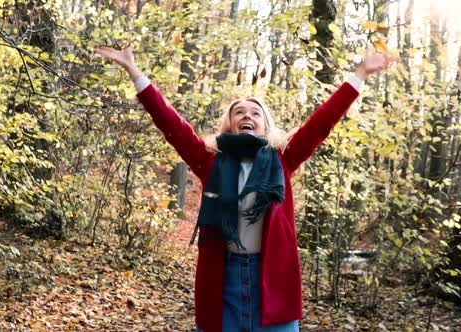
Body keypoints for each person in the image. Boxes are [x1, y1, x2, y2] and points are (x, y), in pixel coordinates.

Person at [95, 45, 393, 332]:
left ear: (265, 125)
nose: (247, 116)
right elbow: (172, 124)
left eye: (255, 113)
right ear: (229, 125)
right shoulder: (210, 162)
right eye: (239, 112)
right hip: (222, 282)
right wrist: (135, 72)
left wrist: (360, 75)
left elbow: (321, 123)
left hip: (273, 280)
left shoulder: (283, 159)